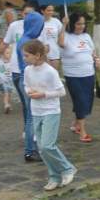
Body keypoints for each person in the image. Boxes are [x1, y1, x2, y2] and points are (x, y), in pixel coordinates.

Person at [0, 3, 41, 161]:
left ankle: (30, 138)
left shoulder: (34, 31)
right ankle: (30, 149)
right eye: (26, 14)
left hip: (27, 73)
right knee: (31, 112)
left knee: (29, 109)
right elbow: (5, 44)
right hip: (22, 74)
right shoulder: (18, 29)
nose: (28, 17)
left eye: (31, 14)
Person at [22, 40, 76, 191]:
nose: (24, 58)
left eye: (27, 55)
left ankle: (67, 169)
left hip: (50, 111)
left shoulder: (50, 71)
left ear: (37, 55)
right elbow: (26, 85)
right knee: (41, 148)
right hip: (36, 111)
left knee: (47, 145)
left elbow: (61, 92)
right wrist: (29, 92)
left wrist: (43, 94)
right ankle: (54, 176)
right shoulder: (27, 70)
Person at [61, 11, 100, 143]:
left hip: (88, 73)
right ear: (72, 24)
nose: (81, 26)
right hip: (73, 75)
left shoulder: (86, 36)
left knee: (88, 101)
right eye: (78, 23)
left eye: (83, 24)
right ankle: (83, 131)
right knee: (80, 100)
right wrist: (63, 25)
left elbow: (93, 52)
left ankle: (76, 123)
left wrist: (97, 59)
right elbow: (60, 43)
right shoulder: (66, 36)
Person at [38, 4, 64, 69]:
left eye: (52, 10)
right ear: (42, 11)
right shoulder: (37, 22)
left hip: (54, 53)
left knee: (54, 75)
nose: (51, 12)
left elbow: (61, 34)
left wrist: (65, 24)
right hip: (41, 54)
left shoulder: (56, 21)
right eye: (48, 10)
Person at [0, 46, 15, 114]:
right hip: (2, 82)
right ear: (2, 54)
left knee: (9, 93)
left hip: (10, 81)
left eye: (10, 53)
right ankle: (6, 105)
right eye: (7, 53)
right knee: (6, 93)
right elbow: (0, 73)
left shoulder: (12, 62)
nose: (9, 55)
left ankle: (8, 103)